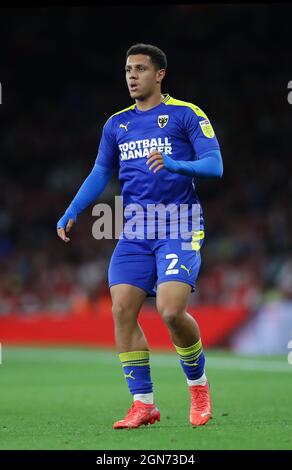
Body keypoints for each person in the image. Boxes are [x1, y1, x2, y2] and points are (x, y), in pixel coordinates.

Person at [57, 43, 223, 429]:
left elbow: (215, 165)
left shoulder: (185, 114)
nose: (132, 76)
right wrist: (72, 210)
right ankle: (143, 403)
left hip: (179, 224)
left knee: (169, 310)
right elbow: (101, 172)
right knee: (120, 309)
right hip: (135, 229)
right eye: (128, 70)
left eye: (140, 69)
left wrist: (174, 163)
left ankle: (198, 388)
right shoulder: (116, 124)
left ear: (159, 74)